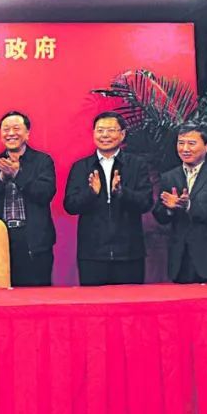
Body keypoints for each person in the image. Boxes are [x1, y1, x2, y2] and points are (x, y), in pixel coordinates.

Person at [63, 111, 152, 285]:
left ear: (122, 134)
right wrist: (91, 193)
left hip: (129, 254)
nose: (105, 135)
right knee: (94, 301)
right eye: (100, 130)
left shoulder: (136, 165)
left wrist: (122, 192)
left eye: (111, 130)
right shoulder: (81, 166)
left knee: (130, 300)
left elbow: (146, 202)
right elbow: (70, 205)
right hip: (92, 255)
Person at [0, 110, 56, 286]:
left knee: (37, 294)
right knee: (2, 293)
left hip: (33, 239)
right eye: (6, 129)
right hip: (1, 237)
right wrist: (1, 179)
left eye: (16, 128)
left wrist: (18, 175)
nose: (11, 133)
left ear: (27, 133)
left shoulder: (42, 161)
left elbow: (45, 194)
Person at [152, 122, 207, 285]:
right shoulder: (169, 176)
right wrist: (169, 209)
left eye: (191, 143)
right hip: (181, 260)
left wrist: (189, 206)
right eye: (181, 143)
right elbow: (160, 216)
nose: (185, 149)